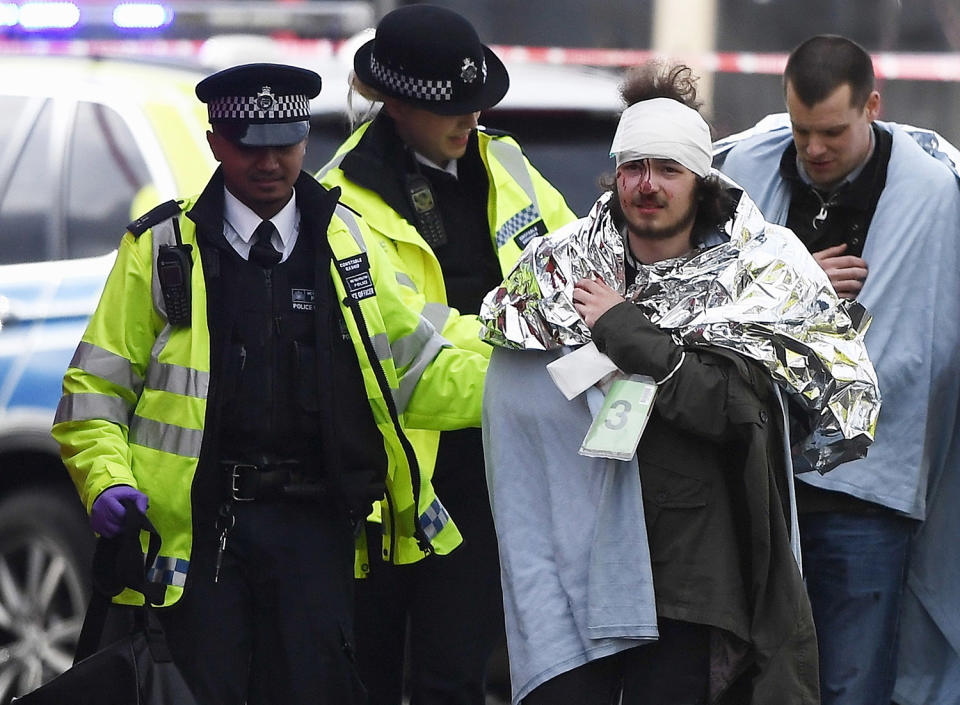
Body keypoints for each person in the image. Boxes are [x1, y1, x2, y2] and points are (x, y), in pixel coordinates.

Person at [51, 62, 487, 705]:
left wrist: (529, 386)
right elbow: (94, 393)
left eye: (284, 143)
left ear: (306, 137)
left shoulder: (348, 246)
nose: (269, 162)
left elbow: (423, 366)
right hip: (202, 539)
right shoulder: (162, 249)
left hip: (318, 530)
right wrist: (105, 480)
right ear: (215, 143)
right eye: (249, 145)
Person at [481, 61, 829, 705]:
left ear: (701, 181)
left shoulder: (753, 272)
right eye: (634, 167)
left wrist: (626, 333)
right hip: (573, 576)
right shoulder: (559, 270)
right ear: (614, 176)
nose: (648, 185)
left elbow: (733, 411)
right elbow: (514, 407)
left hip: (691, 581)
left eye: (668, 169)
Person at [316, 6, 577, 704]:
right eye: (450, 109)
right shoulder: (343, 202)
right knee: (365, 676)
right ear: (395, 103)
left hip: (490, 472)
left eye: (476, 103)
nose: (469, 120)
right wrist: (539, 366)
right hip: (390, 482)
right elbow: (405, 363)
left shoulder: (507, 162)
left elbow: (580, 269)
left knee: (454, 679)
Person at [715, 35, 960, 705]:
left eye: (832, 132)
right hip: (755, 477)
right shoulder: (748, 172)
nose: (814, 149)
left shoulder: (932, 195)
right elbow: (701, 305)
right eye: (800, 131)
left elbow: (929, 346)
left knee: (852, 681)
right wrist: (796, 282)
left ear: (872, 107)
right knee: (749, 678)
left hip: (865, 490)